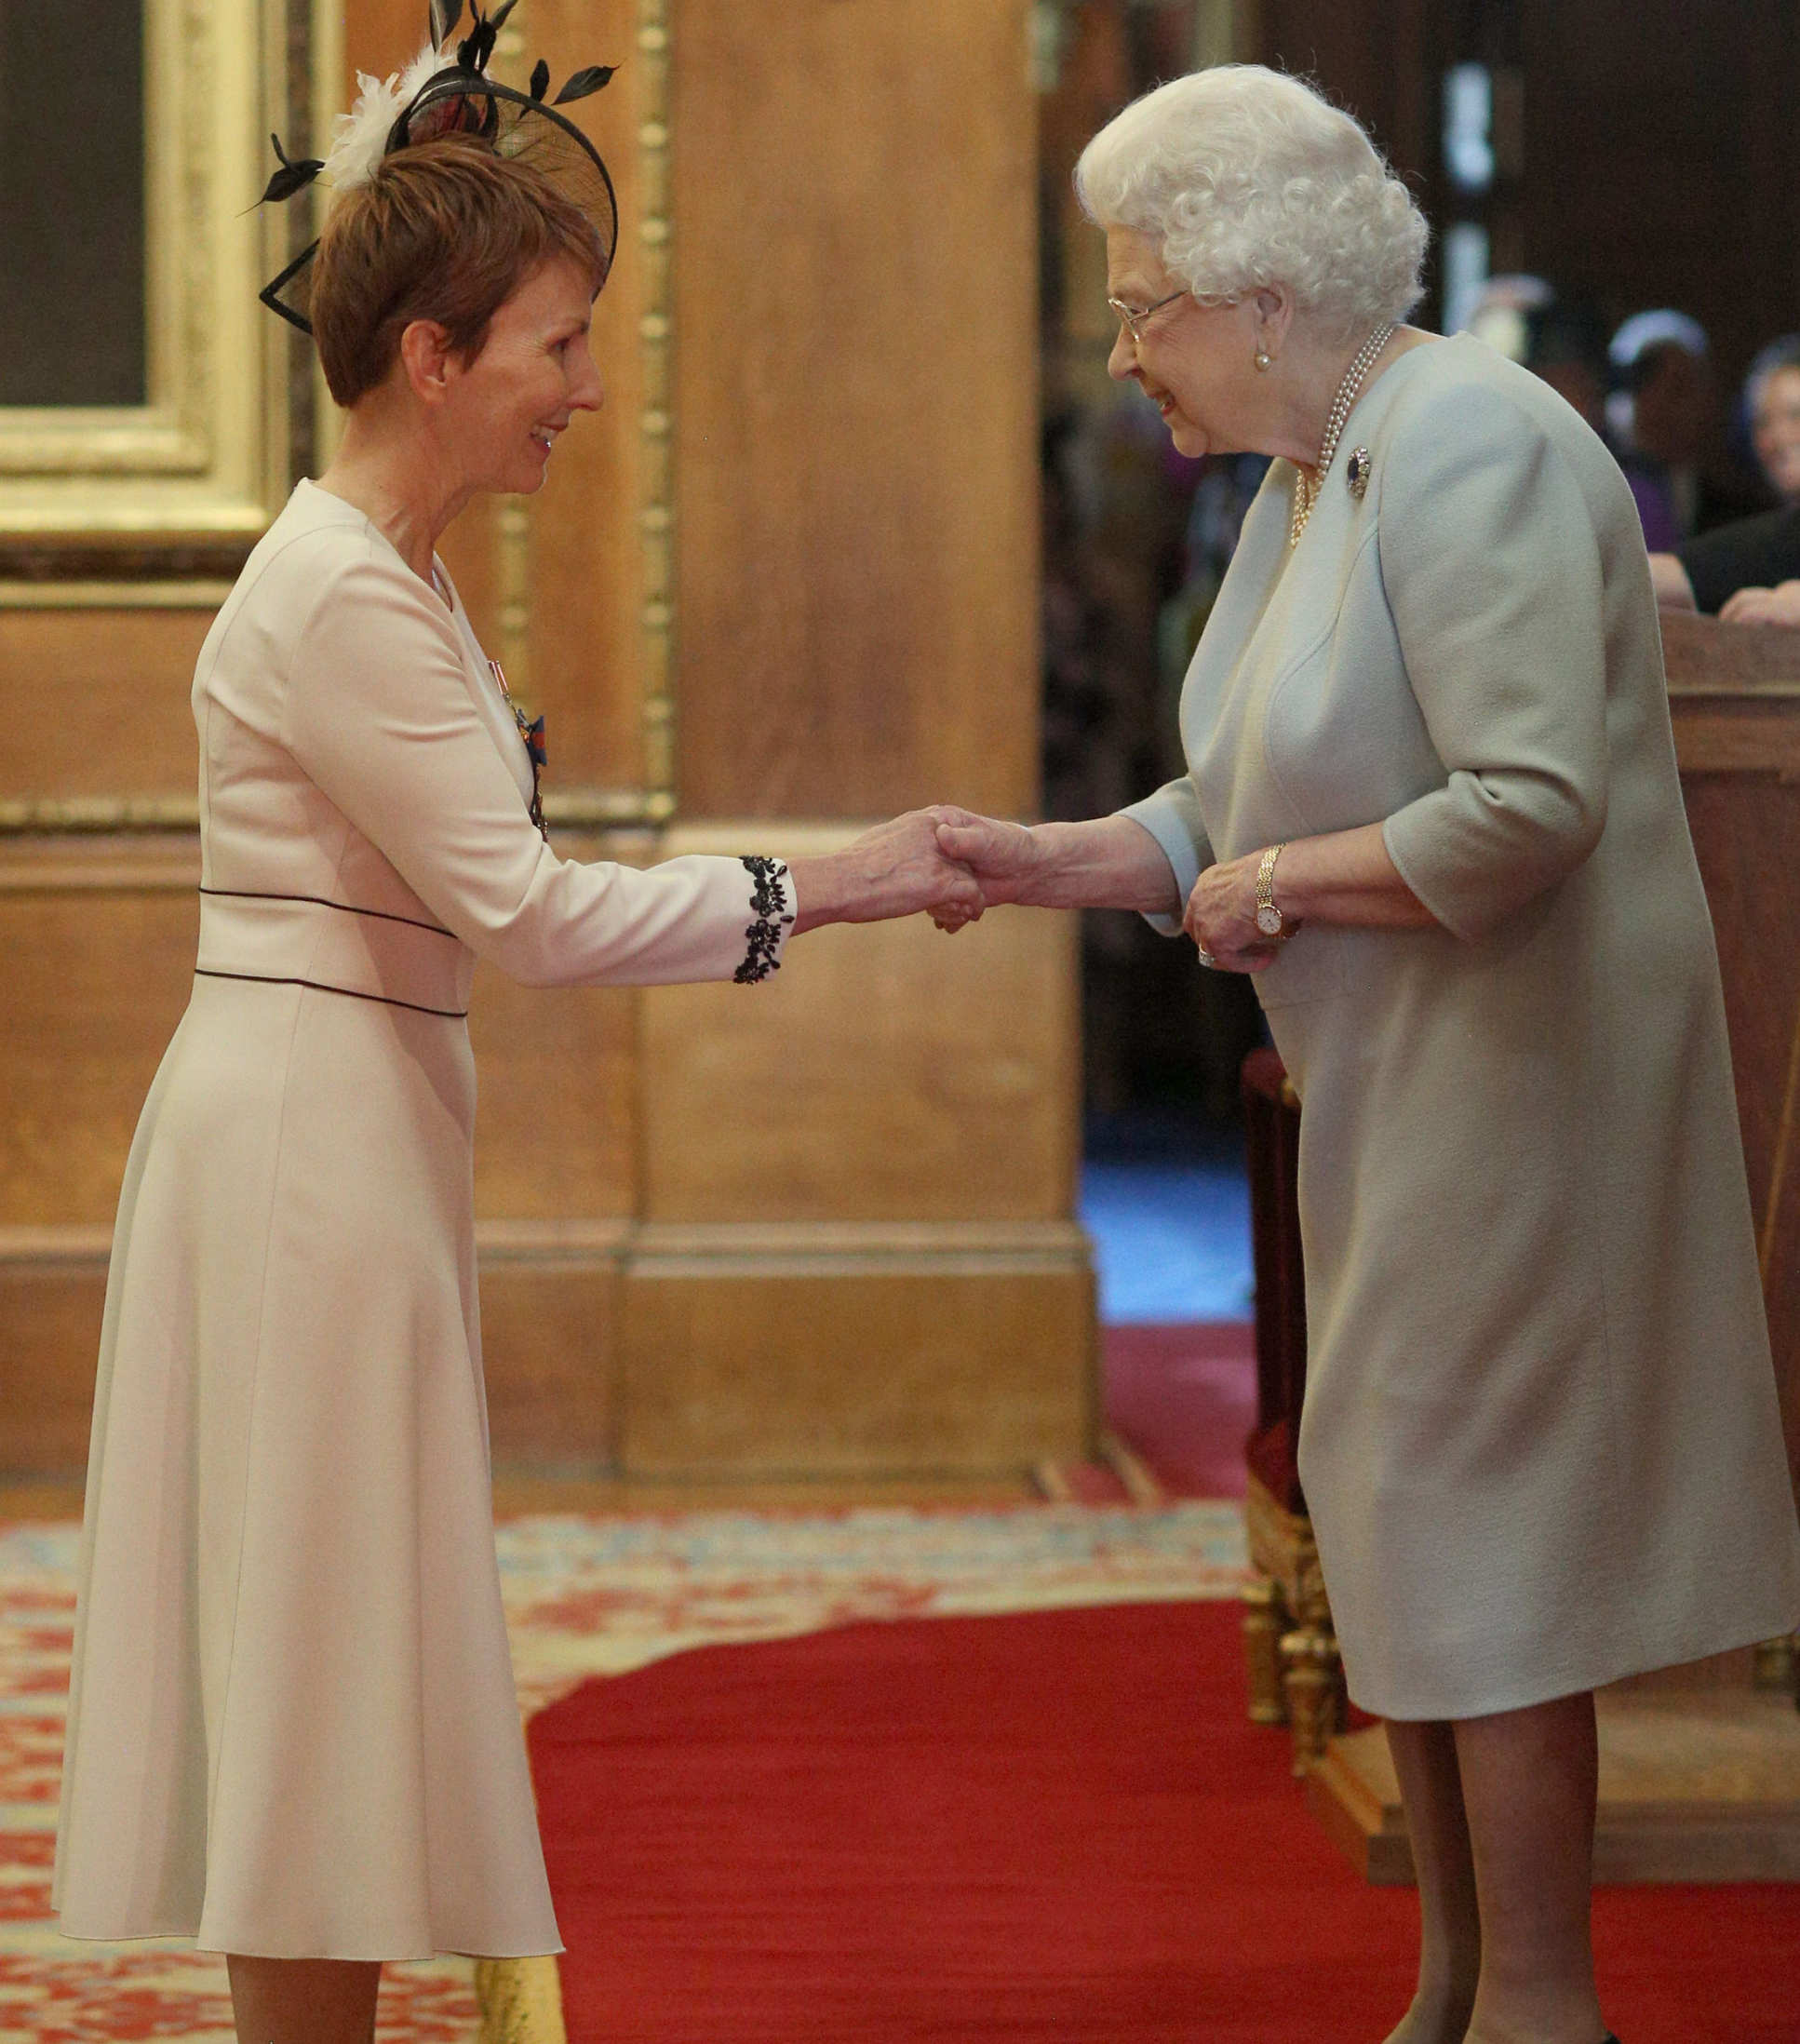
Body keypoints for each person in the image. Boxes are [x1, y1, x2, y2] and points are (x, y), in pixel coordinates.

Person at [50, 20, 974, 2044]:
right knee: (311, 1650)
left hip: (348, 1118)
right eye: (557, 343)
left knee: (332, 1643)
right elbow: (535, 914)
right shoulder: (343, 599)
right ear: (433, 357)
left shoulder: (397, 578)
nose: (586, 385)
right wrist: (844, 877)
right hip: (308, 1144)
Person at [933, 65, 1800, 2044]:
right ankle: (1455, 1991)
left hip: (1522, 1091)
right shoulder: (1315, 467)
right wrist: (1039, 859)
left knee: (1492, 1545)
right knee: (1408, 1515)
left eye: (1141, 300)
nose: (1127, 347)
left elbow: (1527, 805)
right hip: (1406, 1091)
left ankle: (1543, 2007)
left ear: (1257, 296)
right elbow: (1230, 795)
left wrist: (1279, 888)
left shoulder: (1472, 440)